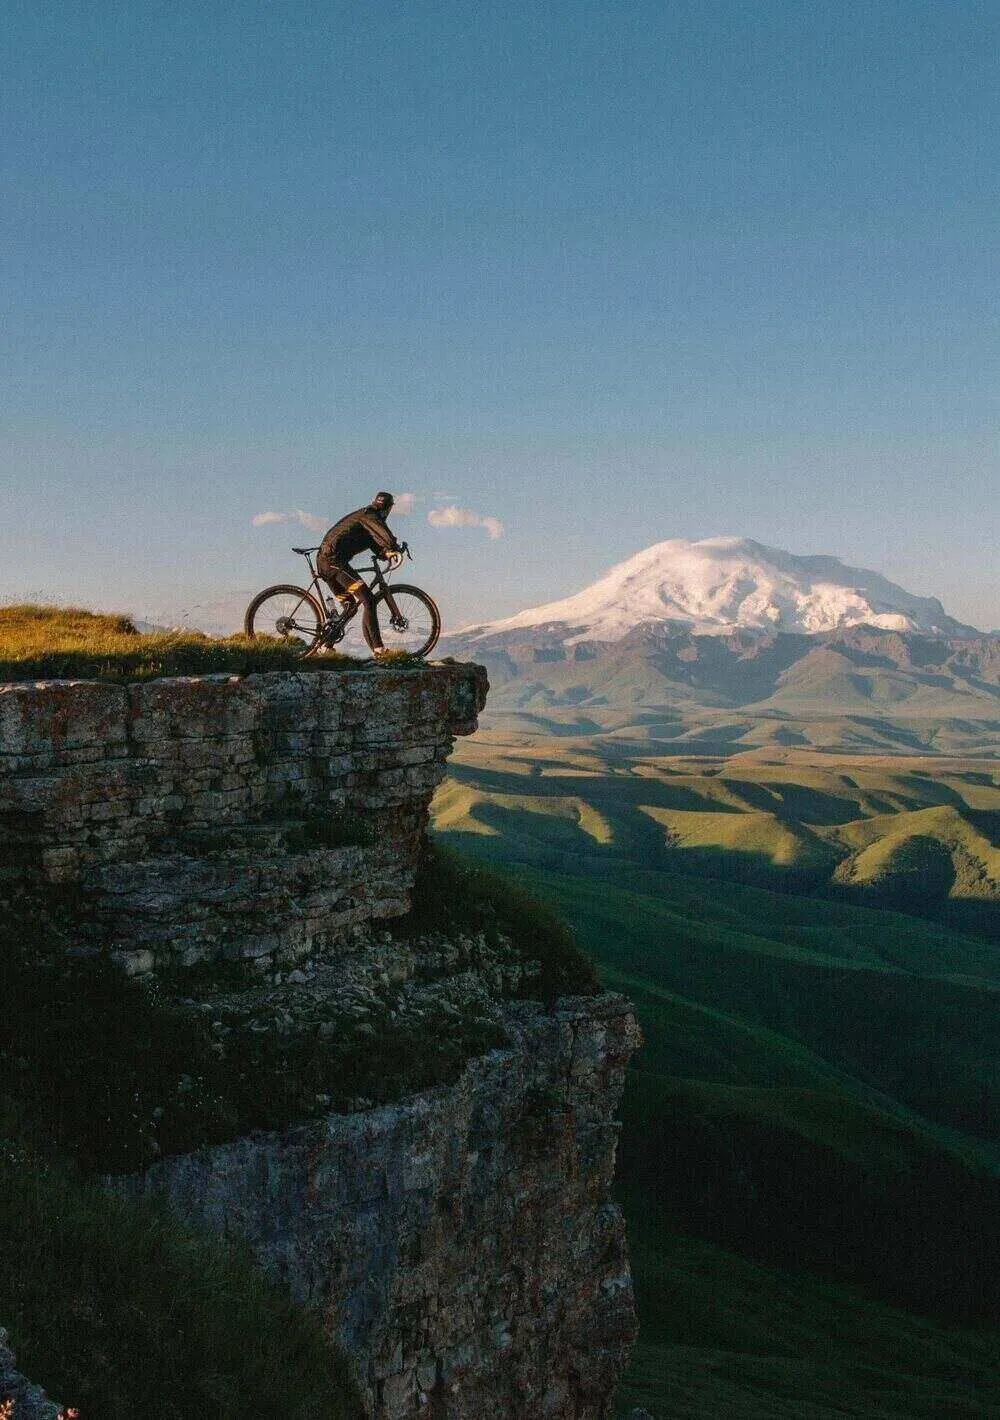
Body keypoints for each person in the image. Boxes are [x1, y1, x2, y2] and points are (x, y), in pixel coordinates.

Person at [317, 492, 403, 655]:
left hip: (327, 563)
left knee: (349, 606)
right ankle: (378, 649)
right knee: (369, 600)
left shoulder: (366, 519)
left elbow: (374, 542)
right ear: (389, 508)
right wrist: (393, 546)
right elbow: (383, 533)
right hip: (333, 563)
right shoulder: (370, 514)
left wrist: (385, 553)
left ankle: (326, 647)